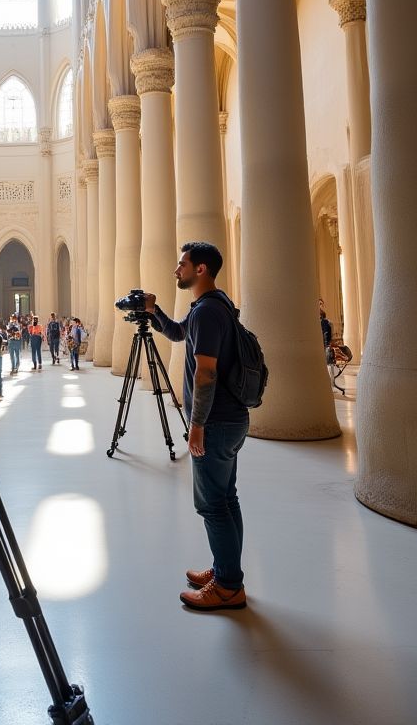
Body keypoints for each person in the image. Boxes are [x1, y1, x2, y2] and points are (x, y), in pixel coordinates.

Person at [144, 241, 248, 613]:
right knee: (226, 499)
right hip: (231, 418)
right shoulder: (215, 306)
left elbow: (205, 372)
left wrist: (196, 425)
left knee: (213, 506)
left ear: (200, 269)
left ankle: (228, 587)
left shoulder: (207, 313)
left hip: (216, 421)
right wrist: (153, 311)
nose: (177, 270)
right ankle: (225, 572)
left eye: (182, 264)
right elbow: (176, 334)